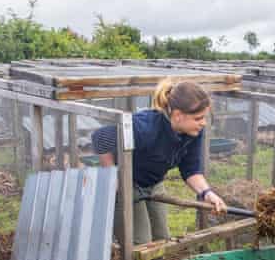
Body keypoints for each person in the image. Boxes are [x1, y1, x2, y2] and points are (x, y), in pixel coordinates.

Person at [92, 78, 228, 247]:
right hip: (128, 185)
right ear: (178, 115)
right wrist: (114, 178)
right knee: (141, 243)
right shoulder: (145, 127)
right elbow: (100, 137)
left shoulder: (193, 132)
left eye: (204, 117)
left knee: (161, 239)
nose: (203, 123)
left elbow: (191, 170)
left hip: (154, 183)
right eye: (198, 118)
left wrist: (207, 193)